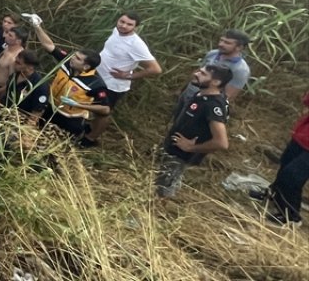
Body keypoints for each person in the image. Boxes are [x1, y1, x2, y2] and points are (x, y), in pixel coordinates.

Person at [23, 21, 111, 140]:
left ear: (86, 67)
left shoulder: (95, 84)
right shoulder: (67, 62)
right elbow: (49, 46)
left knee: (57, 142)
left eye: (78, 58)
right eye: (75, 55)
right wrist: (37, 26)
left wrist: (78, 105)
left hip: (69, 118)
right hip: (50, 107)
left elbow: (105, 109)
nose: (73, 58)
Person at [155, 64, 232, 198]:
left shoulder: (213, 106)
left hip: (180, 155)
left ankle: (158, 211)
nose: (196, 74)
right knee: (162, 181)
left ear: (216, 82)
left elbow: (222, 143)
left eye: (203, 74)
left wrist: (191, 147)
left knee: (164, 188)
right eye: (199, 71)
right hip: (173, 148)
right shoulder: (201, 94)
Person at [87, 12, 161, 146]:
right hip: (98, 76)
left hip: (113, 85)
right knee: (92, 106)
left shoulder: (136, 44)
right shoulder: (116, 31)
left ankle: (91, 138)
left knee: (102, 112)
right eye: (122, 21)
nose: (124, 26)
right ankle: (90, 128)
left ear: (135, 27)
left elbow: (155, 69)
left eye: (129, 24)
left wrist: (128, 76)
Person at [251, 89, 309, 225]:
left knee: (292, 175)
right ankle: (275, 195)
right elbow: (306, 101)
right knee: (285, 166)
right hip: (302, 136)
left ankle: (290, 215)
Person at [177, 29, 251, 111]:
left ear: (239, 47)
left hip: (202, 104)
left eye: (227, 43)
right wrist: (182, 89)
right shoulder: (213, 53)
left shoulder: (240, 69)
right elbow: (198, 72)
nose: (221, 44)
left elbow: (228, 96)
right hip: (188, 94)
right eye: (221, 40)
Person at [0, 24, 29, 90]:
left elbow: (12, 83)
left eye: (10, 35)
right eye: (7, 33)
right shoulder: (8, 48)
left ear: (18, 41)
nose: (5, 36)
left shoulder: (16, 58)